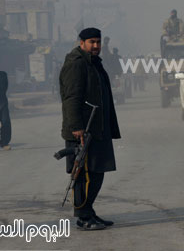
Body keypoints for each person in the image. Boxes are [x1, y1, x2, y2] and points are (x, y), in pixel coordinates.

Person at [59, 27, 121, 231]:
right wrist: (76, 127)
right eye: (92, 42)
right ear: (82, 43)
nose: (96, 46)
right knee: (83, 175)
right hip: (83, 131)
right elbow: (71, 98)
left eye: (98, 42)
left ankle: (89, 211)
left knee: (96, 172)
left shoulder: (93, 63)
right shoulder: (76, 64)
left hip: (97, 129)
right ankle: (83, 216)